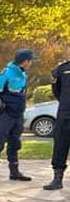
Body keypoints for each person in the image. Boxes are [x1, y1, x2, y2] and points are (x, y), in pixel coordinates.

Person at [0, 49, 35, 183]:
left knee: (15, 143)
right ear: (25, 61)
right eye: (30, 60)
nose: (31, 63)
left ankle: (14, 172)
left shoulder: (22, 74)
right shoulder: (6, 73)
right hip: (5, 114)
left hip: (17, 114)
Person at [43, 57, 70, 190]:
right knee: (60, 146)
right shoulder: (62, 69)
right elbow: (56, 91)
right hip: (65, 114)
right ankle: (57, 179)